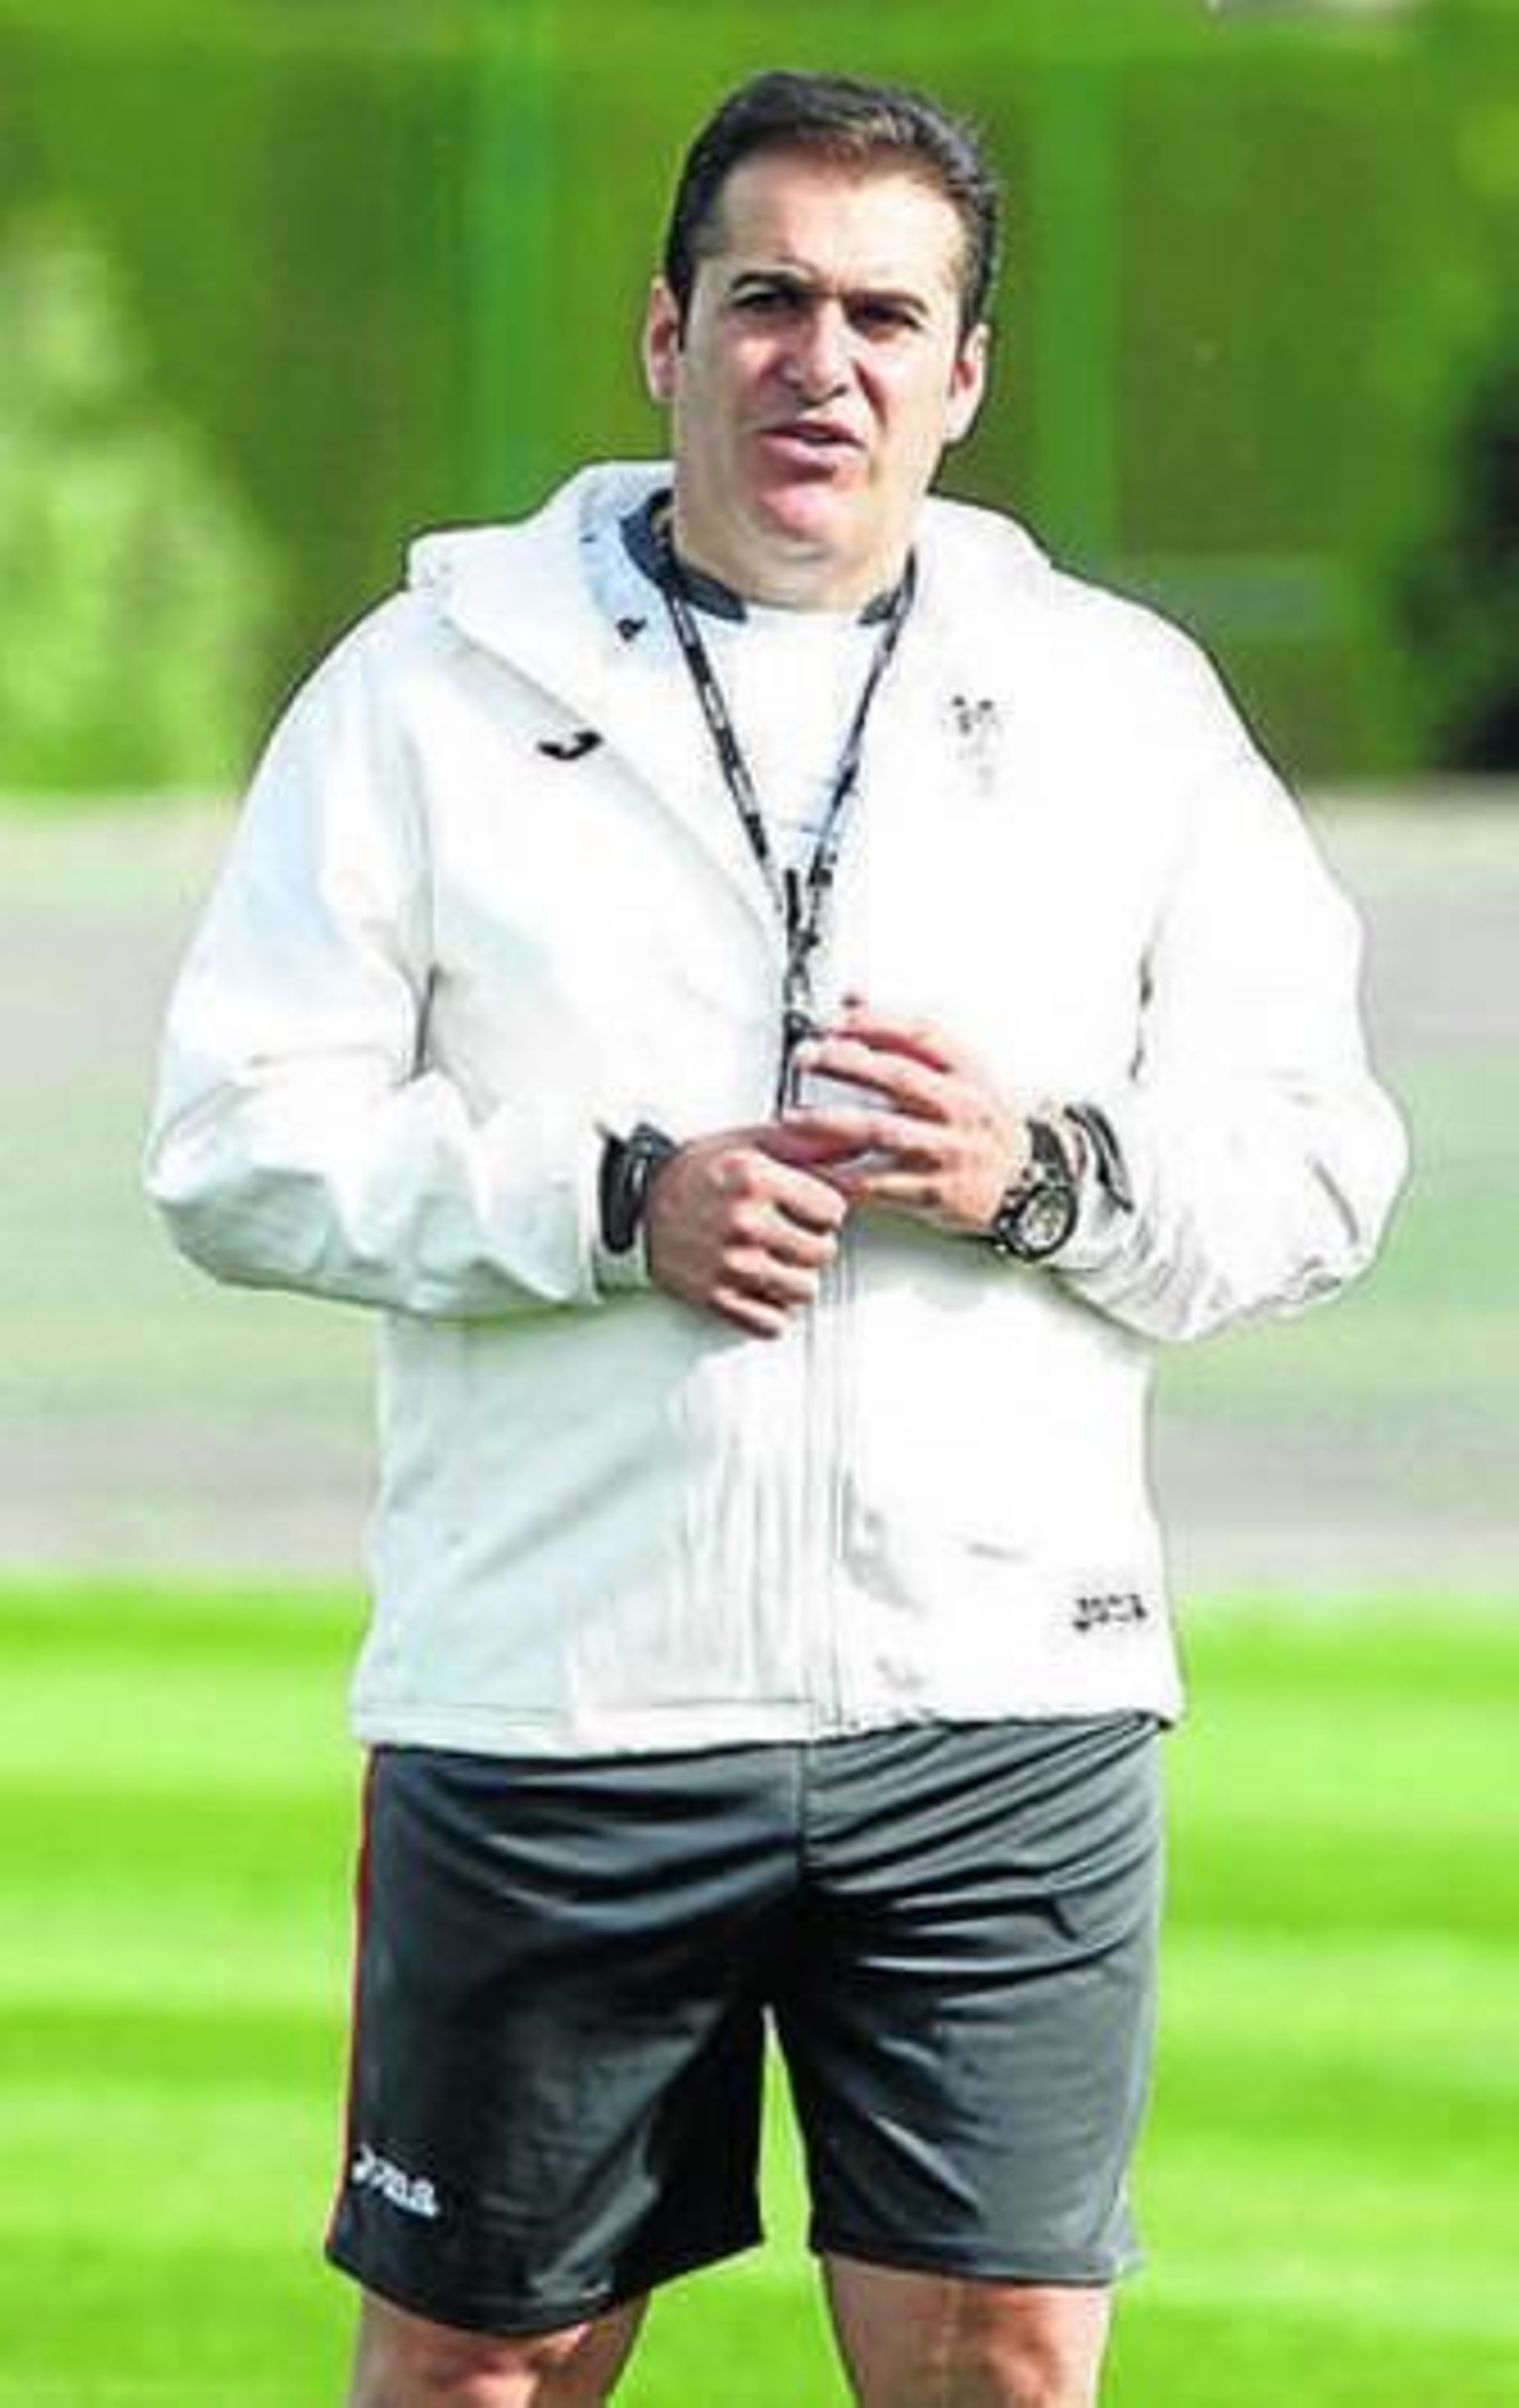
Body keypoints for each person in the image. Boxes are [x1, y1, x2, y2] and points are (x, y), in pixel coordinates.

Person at [145, 66, 1406, 2408]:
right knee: (479, 2373)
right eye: (766, 301)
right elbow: (231, 1138)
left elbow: (1318, 1161)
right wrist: (612, 1200)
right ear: (664, 332)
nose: (819, 361)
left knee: (1001, 2362)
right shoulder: (427, 688)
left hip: (997, 1699)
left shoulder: (1118, 703)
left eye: (881, 315)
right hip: (562, 1693)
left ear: (963, 373)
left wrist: (1038, 1171)